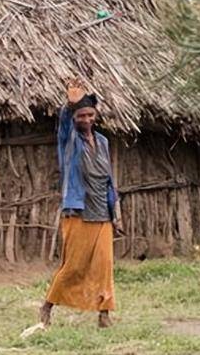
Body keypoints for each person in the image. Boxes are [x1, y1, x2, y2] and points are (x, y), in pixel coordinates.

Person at [39, 78, 123, 328]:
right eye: (81, 115)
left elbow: (109, 180)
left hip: (102, 212)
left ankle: (104, 314)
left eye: (89, 115)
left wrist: (116, 214)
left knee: (104, 265)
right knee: (73, 266)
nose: (85, 120)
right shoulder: (69, 140)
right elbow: (64, 124)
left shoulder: (104, 142)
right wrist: (69, 106)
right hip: (78, 210)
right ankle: (48, 305)